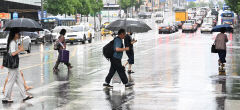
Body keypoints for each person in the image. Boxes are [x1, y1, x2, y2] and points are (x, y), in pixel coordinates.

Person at [2, 29, 33, 103]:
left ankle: (24, 96)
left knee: (19, 80)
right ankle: (6, 98)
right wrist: (20, 50)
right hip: (13, 65)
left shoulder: (14, 42)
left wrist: (19, 49)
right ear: (15, 34)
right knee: (10, 81)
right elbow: (12, 53)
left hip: (15, 65)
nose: (19, 35)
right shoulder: (13, 42)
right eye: (18, 33)